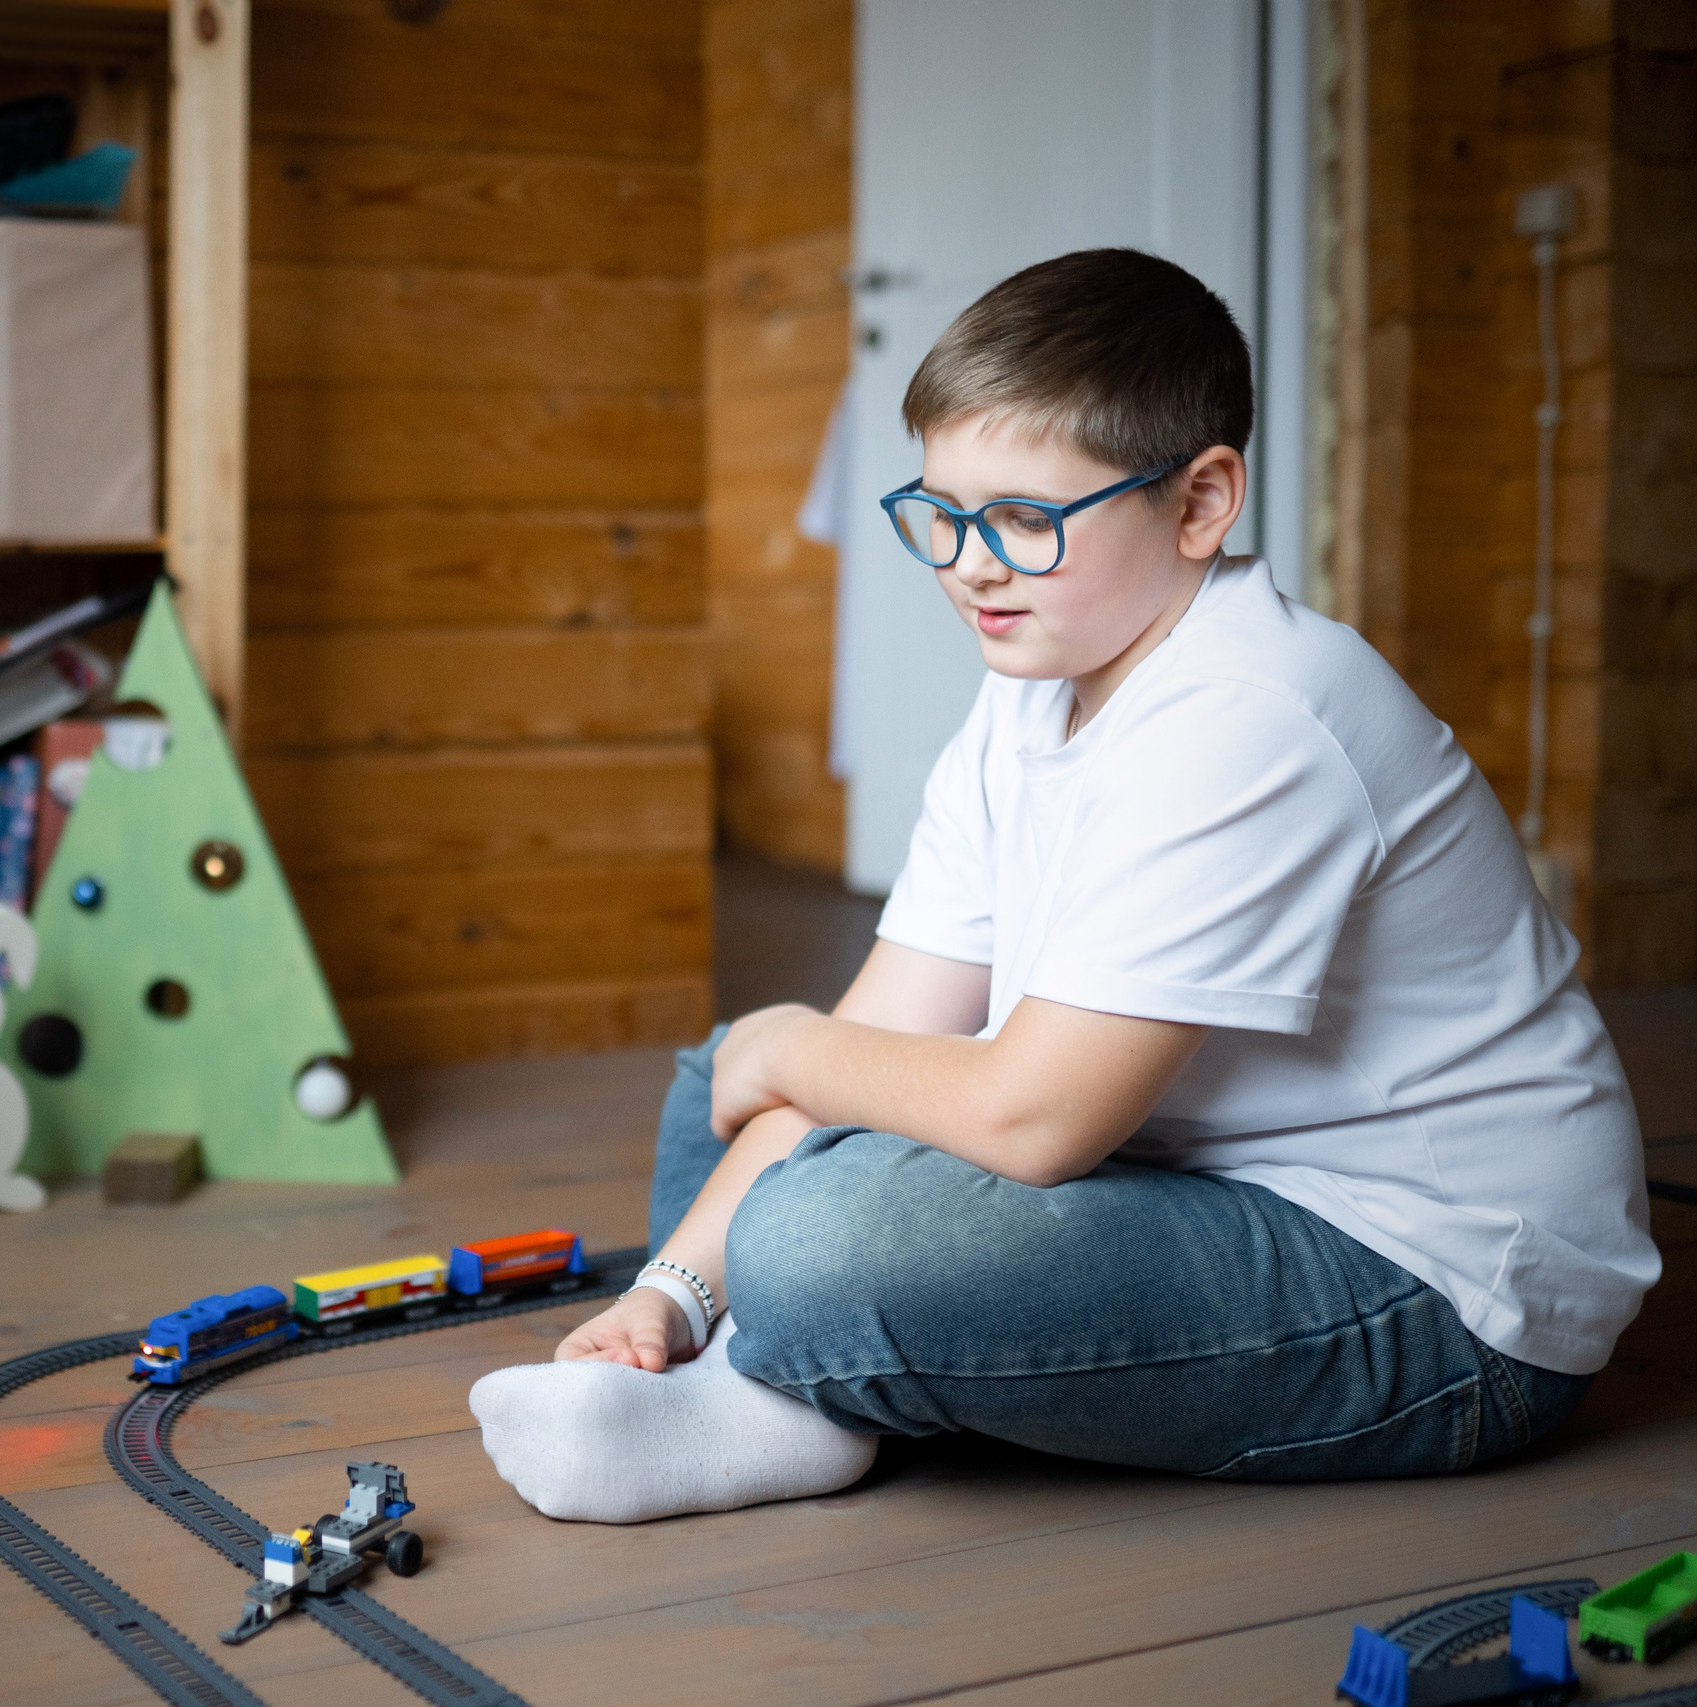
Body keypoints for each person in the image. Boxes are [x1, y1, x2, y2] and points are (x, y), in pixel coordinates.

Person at [470, 248, 1659, 1524]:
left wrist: (797, 1059)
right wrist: (668, 1288)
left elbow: (1036, 1123)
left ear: (1200, 504)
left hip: (1438, 1295)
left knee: (819, 1218)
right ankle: (762, 1373)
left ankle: (788, 1377)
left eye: (1026, 520)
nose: (970, 566)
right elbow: (879, 1029)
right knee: (726, 1086)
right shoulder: (1026, 695)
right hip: (1204, 1173)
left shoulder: (1251, 713)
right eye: (940, 512)